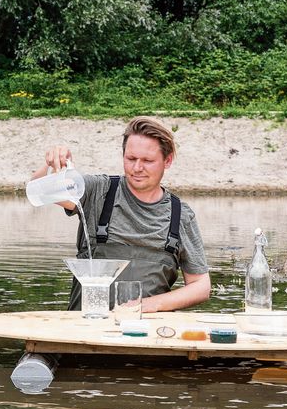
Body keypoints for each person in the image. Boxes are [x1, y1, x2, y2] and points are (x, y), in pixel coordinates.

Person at [35, 116, 210, 313]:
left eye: (148, 161)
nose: (137, 168)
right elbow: (40, 190)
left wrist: (149, 305)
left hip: (145, 335)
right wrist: (53, 164)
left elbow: (200, 286)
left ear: (167, 161)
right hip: (84, 331)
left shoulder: (181, 215)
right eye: (131, 159)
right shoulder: (98, 191)